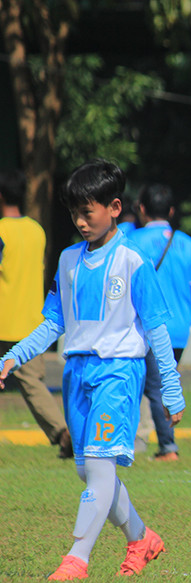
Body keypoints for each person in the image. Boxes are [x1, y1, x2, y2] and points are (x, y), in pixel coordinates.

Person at [0, 159, 185, 580]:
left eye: (88, 212)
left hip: (118, 374)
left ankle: (76, 559)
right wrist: (14, 356)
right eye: (74, 213)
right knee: (90, 470)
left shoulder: (133, 261)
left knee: (99, 468)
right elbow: (53, 323)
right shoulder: (67, 261)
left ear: (115, 207)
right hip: (75, 375)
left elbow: (157, 328)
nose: (80, 222)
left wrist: (171, 389)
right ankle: (141, 539)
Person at [128, 184, 191, 461]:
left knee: (153, 388)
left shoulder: (131, 241)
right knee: (160, 382)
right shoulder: (188, 244)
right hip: (179, 328)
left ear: (142, 209)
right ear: (172, 211)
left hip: (147, 326)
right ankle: (142, 440)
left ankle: (167, 447)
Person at [0, 169, 74, 459]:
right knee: (33, 384)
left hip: (4, 319)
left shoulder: (1, 231)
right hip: (32, 321)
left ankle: (63, 434)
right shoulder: (36, 230)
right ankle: (61, 432)